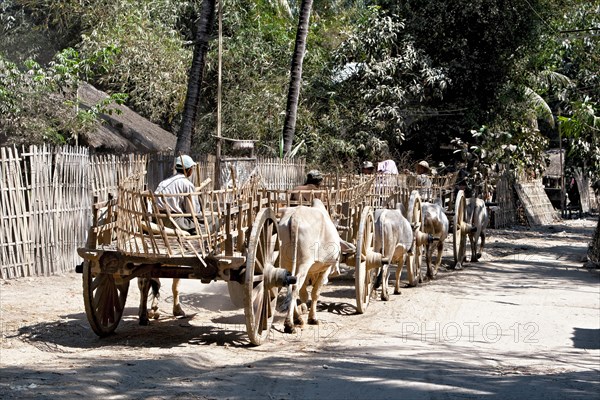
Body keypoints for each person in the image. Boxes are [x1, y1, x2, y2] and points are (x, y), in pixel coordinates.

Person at [154, 154, 201, 234]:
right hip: (174, 221)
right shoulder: (187, 184)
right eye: (192, 169)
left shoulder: (163, 182)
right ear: (189, 170)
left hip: (159, 219)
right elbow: (193, 211)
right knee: (212, 221)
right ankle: (194, 232)